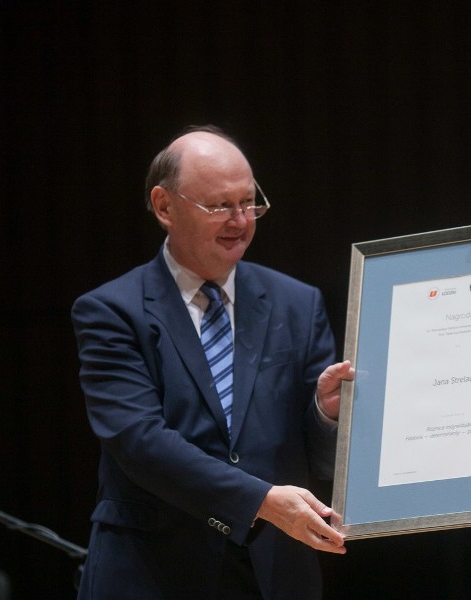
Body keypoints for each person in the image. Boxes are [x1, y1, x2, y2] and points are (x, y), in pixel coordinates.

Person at [71, 125, 353, 599]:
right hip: (153, 572)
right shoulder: (111, 310)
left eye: (249, 203)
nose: (240, 221)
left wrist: (327, 415)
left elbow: (322, 458)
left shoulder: (297, 303)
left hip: (275, 572)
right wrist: (259, 500)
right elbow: (139, 442)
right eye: (220, 206)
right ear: (164, 207)